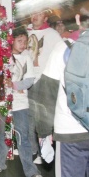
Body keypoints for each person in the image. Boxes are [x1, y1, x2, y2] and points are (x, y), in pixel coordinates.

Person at [0, 27, 43, 177]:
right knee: (2, 134)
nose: (23, 44)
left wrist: (14, 85)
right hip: (2, 103)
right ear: (11, 41)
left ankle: (31, 170)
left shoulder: (26, 58)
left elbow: (29, 80)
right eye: (20, 41)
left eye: (25, 42)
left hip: (20, 104)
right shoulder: (2, 57)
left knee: (23, 136)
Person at [26, 10, 62, 163]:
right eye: (33, 13)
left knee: (43, 118)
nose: (35, 16)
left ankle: (44, 151)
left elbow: (61, 54)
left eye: (39, 14)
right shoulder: (25, 32)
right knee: (29, 118)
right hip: (27, 78)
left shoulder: (52, 34)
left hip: (44, 80)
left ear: (45, 18)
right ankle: (32, 149)